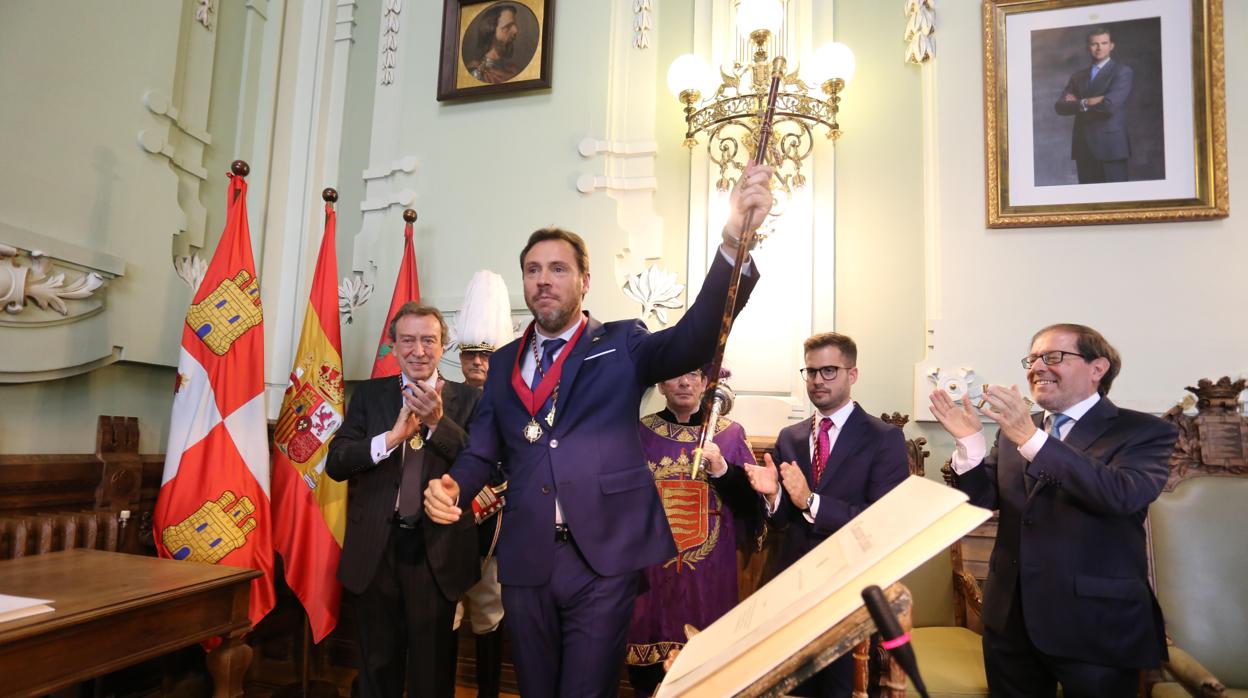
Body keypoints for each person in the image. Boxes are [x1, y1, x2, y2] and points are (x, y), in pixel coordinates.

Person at [425, 162, 774, 697]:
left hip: (603, 558)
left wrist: (733, 243)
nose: (544, 279)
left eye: (559, 269)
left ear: (584, 282)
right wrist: (454, 485)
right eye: (534, 269)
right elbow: (483, 450)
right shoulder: (500, 364)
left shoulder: (623, 344)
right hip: (526, 557)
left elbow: (696, 336)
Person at [928, 323, 1178, 697]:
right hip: (1010, 618)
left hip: (1096, 625)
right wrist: (969, 445)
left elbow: (1121, 495)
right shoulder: (1017, 429)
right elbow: (981, 502)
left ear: (1098, 368)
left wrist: (1032, 441)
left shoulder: (1144, 431)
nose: (1037, 367)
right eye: (1032, 359)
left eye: (1054, 357)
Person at [326, 303, 480, 698]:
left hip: (437, 552)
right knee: (377, 667)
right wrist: (390, 440)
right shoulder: (370, 394)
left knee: (433, 671)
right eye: (407, 340)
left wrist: (435, 424)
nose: (418, 350)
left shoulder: (470, 400)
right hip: (375, 551)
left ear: (442, 344)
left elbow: (482, 464)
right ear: (393, 347)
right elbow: (337, 462)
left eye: (428, 340)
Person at [745, 332, 909, 698]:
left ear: (853, 374)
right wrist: (773, 497)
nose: (818, 380)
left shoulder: (884, 438)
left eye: (829, 371)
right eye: (811, 371)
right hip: (792, 589)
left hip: (848, 591)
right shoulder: (790, 436)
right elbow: (782, 520)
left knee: (839, 690)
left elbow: (883, 522)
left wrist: (810, 501)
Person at [625, 367, 760, 697]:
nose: (685, 382)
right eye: (674, 375)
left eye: (694, 376)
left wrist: (724, 471)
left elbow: (752, 509)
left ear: (706, 382)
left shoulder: (729, 435)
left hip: (710, 582)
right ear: (660, 383)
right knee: (648, 683)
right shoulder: (638, 433)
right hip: (650, 580)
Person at [450, 270, 515, 698]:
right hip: (448, 524)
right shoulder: (444, 400)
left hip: (495, 528)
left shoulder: (517, 402)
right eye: (471, 354)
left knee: (490, 614)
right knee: (448, 614)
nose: (477, 362)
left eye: (486, 355)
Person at [1054, 27, 1134, 184]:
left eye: (1104, 43)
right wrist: (1087, 101)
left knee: (1116, 200)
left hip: (1111, 147)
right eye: (1094, 44)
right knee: (1089, 201)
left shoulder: (1122, 72)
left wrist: (1077, 103)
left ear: (1111, 45)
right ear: (1088, 47)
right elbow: (1060, 107)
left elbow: (1109, 106)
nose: (1099, 48)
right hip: (1083, 146)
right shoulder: (1078, 76)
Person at [466, 3, 522, 84]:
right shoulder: (476, 73)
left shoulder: (513, 70)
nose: (516, 31)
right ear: (491, 30)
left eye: (514, 25)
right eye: (508, 26)